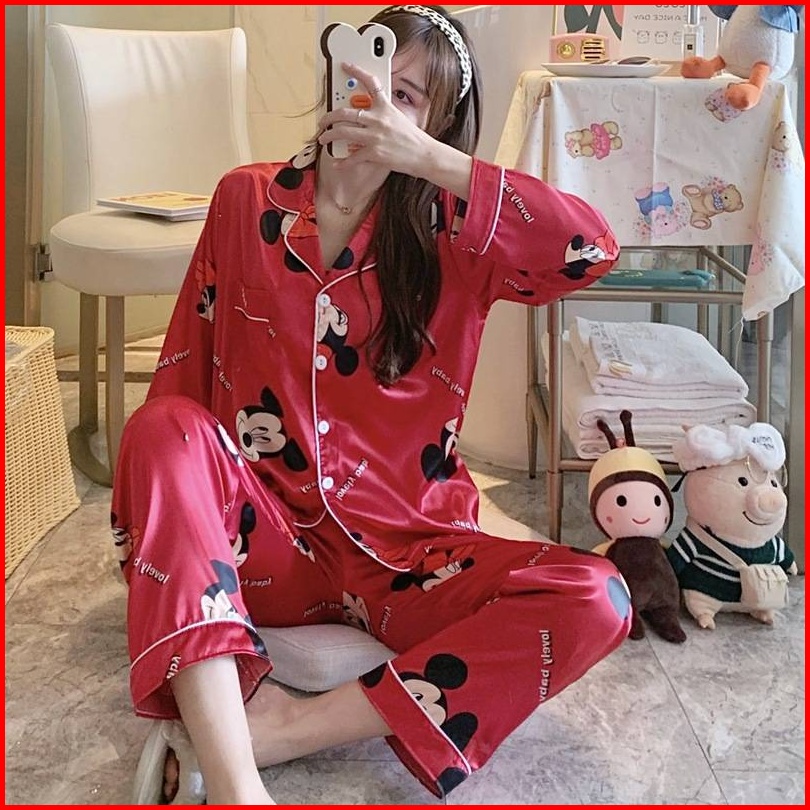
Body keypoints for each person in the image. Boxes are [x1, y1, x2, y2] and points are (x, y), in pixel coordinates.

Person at [113, 5, 630, 805]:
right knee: (159, 427)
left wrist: (432, 163)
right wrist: (160, 530)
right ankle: (243, 787)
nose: (375, 104)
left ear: (437, 124)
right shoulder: (245, 200)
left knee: (597, 596)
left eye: (407, 97)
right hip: (266, 546)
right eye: (366, 78)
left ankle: (281, 729)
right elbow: (183, 380)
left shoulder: (457, 233)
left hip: (412, 558)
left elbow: (588, 249)